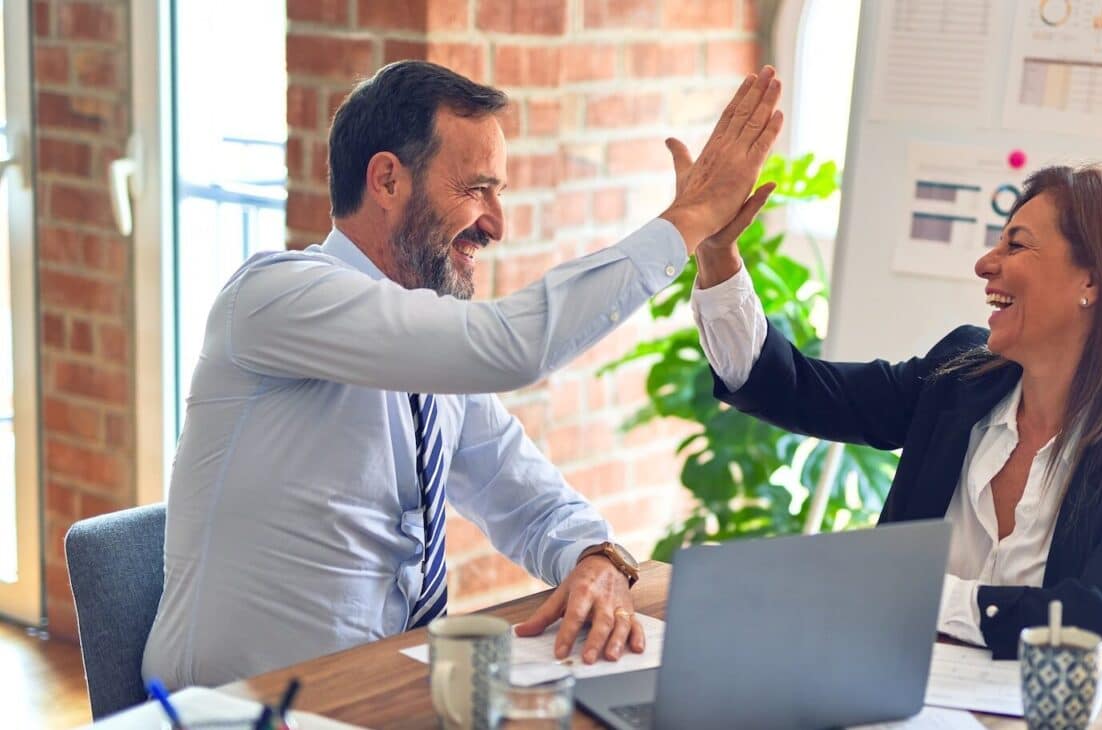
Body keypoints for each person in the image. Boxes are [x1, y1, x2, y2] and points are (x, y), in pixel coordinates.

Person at [143, 60, 783, 689]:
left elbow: (528, 499)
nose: (496, 224)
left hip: (380, 692)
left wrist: (597, 558)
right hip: (237, 710)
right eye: (477, 188)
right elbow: (513, 347)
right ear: (388, 181)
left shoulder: (430, 359)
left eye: (498, 193)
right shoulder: (275, 297)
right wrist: (689, 219)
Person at [690, 164, 1102, 673]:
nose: (985, 263)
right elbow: (794, 389)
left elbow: (1093, 626)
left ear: (1093, 282)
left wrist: (913, 593)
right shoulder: (960, 378)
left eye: (1015, 244)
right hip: (896, 698)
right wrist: (717, 254)